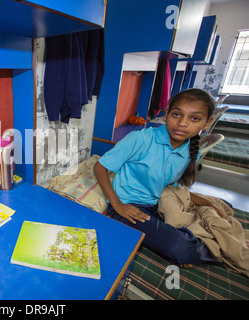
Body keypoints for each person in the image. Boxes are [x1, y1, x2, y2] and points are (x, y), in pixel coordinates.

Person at [94, 88, 221, 265]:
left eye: (195, 118)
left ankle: (191, 242)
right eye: (176, 114)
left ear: (206, 123)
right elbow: (100, 167)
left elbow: (173, 189)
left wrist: (207, 203)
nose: (182, 123)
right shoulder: (140, 139)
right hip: (130, 207)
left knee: (213, 211)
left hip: (160, 203)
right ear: (166, 114)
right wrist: (118, 205)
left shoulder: (193, 151)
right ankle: (211, 250)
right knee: (178, 247)